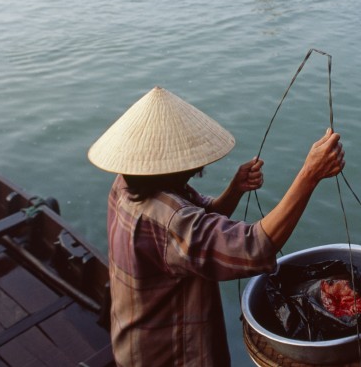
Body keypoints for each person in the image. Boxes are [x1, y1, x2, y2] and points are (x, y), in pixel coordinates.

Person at [87, 86, 344, 367]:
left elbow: (194, 227)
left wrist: (234, 189)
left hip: (132, 344)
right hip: (170, 356)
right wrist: (309, 175)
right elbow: (253, 247)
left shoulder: (125, 186)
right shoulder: (171, 220)